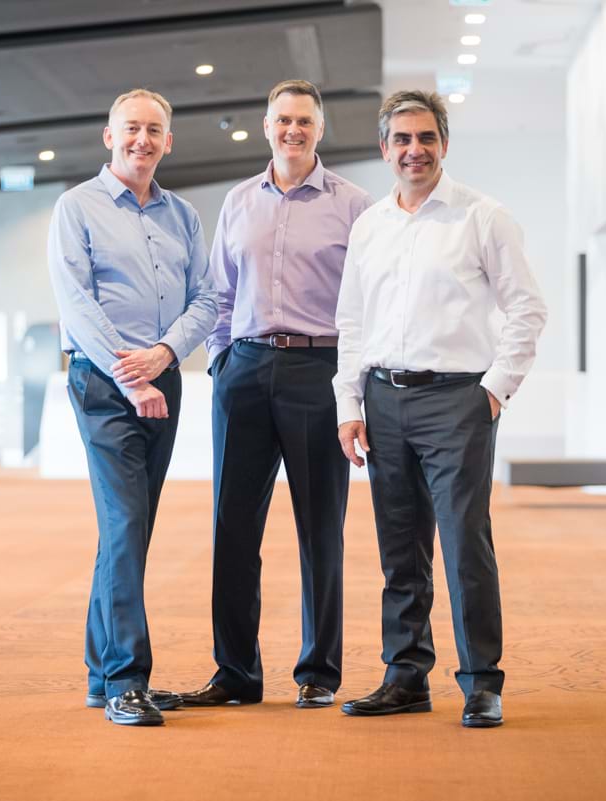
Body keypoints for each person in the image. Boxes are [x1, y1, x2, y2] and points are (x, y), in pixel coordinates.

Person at [333, 90, 547, 728]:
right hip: (383, 400)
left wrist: (494, 389)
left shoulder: (483, 216)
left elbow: (527, 309)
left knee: (463, 545)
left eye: (425, 138)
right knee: (400, 550)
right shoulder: (370, 225)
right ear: (385, 149)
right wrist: (350, 403)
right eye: (401, 139)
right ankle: (406, 677)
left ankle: (482, 681)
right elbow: (351, 322)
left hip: (457, 400)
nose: (414, 150)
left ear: (444, 144)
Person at [178, 80, 371, 709]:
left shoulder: (354, 206)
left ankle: (319, 671)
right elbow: (220, 294)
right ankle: (235, 672)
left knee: (321, 529)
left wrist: (352, 387)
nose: (293, 130)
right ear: (266, 126)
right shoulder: (238, 202)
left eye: (304, 121)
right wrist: (222, 361)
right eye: (283, 119)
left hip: (319, 372)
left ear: (320, 129)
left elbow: (366, 303)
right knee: (232, 528)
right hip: (245, 372)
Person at [46, 88, 217, 727]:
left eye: (153, 131)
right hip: (103, 383)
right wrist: (131, 373)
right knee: (124, 526)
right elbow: (77, 303)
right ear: (108, 135)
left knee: (131, 529)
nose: (141, 140)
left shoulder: (183, 217)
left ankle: (100, 673)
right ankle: (125, 679)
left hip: (161, 379)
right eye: (130, 129)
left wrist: (165, 356)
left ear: (167, 142)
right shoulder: (76, 208)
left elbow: (207, 299)